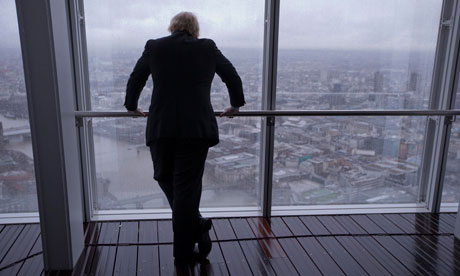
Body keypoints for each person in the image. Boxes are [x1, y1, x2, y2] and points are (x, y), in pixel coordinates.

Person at [124, 11, 245, 265]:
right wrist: (235, 105)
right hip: (196, 130)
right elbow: (232, 76)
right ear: (194, 29)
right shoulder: (207, 47)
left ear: (172, 27)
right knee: (186, 190)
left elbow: (136, 78)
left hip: (161, 127)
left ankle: (183, 252)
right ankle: (197, 224)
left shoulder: (155, 46)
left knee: (164, 178)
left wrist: (131, 106)